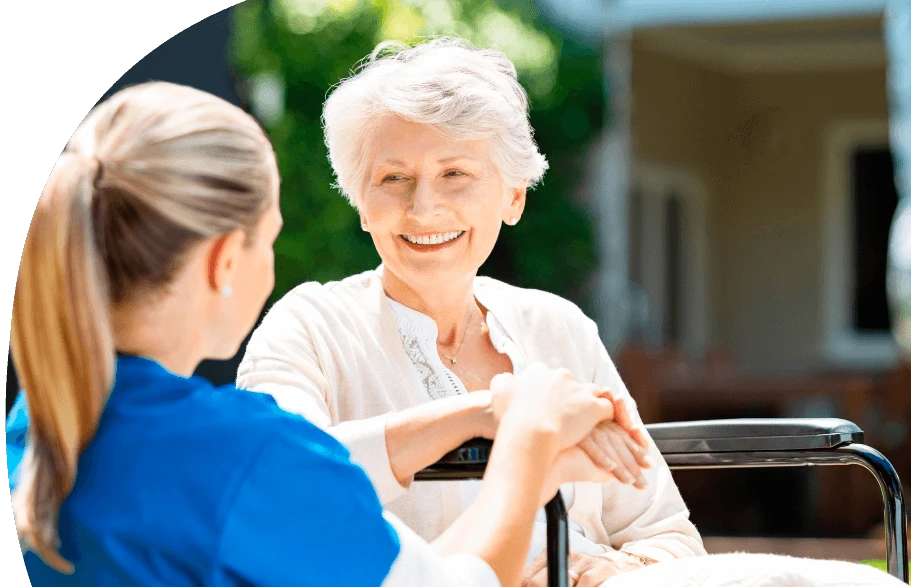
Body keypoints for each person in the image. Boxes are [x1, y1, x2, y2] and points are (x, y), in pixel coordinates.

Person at [5, 80, 637, 587]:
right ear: (226, 260)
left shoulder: (44, 420)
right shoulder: (247, 456)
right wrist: (528, 437)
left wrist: (478, 414)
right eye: (272, 238)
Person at [236, 38, 702, 584]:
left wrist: (603, 570)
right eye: (393, 178)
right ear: (362, 203)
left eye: (454, 173)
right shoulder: (309, 326)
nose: (423, 206)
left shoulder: (560, 328)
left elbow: (667, 535)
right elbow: (279, 482)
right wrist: (490, 412)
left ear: (513, 196)